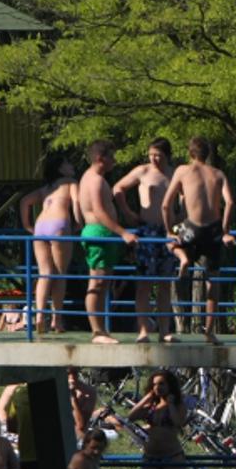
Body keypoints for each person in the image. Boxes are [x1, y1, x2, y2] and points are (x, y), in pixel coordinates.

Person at [162, 137, 236, 344]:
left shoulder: (182, 171)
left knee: (169, 241)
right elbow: (230, 202)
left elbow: (166, 205)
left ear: (190, 153)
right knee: (213, 281)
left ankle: (182, 256)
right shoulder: (218, 174)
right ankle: (210, 331)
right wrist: (225, 230)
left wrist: (170, 230)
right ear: (208, 154)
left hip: (190, 228)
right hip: (213, 231)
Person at [116, 137, 183, 343]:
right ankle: (143, 329)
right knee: (144, 284)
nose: (154, 159)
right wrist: (128, 212)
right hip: (147, 231)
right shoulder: (143, 171)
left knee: (164, 284)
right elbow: (118, 189)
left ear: (167, 156)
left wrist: (179, 219)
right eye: (151, 154)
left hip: (167, 232)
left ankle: (164, 330)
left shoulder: (174, 174)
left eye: (159, 155)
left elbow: (187, 197)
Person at [77, 139, 138, 344]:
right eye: (110, 157)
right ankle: (97, 332)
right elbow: (99, 211)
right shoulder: (94, 180)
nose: (114, 161)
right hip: (99, 234)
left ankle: (101, 330)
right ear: (99, 158)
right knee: (97, 282)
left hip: (101, 234)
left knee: (103, 284)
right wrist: (123, 232)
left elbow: (80, 210)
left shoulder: (93, 178)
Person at [18, 154, 78, 334]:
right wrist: (79, 224)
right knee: (59, 274)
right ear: (60, 168)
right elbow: (76, 204)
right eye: (67, 162)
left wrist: (28, 225)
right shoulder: (70, 182)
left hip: (41, 225)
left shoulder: (46, 188)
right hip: (59, 223)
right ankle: (56, 320)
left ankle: (38, 317)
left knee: (44, 274)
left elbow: (25, 202)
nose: (71, 165)